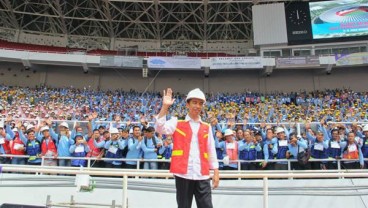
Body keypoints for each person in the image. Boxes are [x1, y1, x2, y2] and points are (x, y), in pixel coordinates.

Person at [155, 88, 219, 208]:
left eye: (200, 103)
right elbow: (160, 128)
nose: (197, 106)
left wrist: (216, 172)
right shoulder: (177, 122)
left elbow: (211, 150)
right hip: (183, 174)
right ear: (187, 104)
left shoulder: (206, 126)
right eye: (194, 102)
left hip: (202, 174)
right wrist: (165, 107)